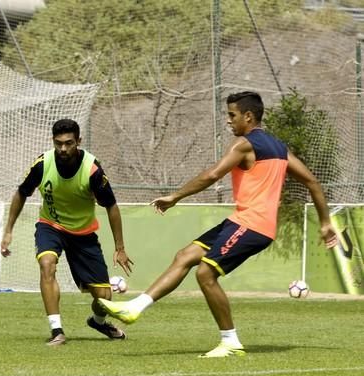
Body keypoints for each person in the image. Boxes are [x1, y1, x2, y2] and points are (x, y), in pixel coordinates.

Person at [98, 91, 338, 358]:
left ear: (248, 116)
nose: (228, 121)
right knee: (186, 255)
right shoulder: (279, 148)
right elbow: (313, 182)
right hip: (243, 221)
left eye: (232, 115)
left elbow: (212, 175)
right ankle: (135, 307)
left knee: (205, 274)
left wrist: (175, 196)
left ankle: (230, 341)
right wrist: (325, 222)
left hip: (253, 224)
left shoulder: (244, 145)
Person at [0, 118, 134, 346]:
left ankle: (98, 322)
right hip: (50, 226)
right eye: (59, 143)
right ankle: (57, 331)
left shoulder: (92, 170)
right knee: (47, 265)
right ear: (53, 141)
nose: (63, 148)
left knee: (103, 298)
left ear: (78, 141)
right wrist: (8, 230)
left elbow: (111, 206)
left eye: (69, 143)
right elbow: (22, 192)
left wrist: (120, 248)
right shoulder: (42, 164)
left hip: (83, 234)